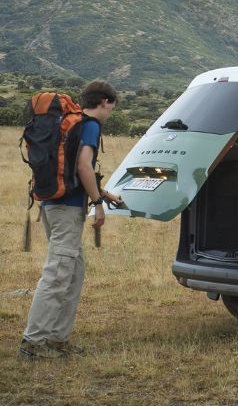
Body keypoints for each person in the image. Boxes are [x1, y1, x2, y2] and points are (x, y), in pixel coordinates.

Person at [18, 80, 121, 361]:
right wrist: (98, 205)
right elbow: (83, 166)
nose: (110, 112)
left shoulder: (70, 123)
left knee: (73, 274)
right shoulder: (89, 125)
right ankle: (33, 342)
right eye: (111, 107)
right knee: (58, 274)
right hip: (67, 210)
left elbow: (75, 172)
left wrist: (105, 194)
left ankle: (57, 338)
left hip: (52, 206)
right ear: (104, 102)